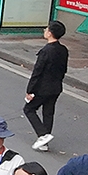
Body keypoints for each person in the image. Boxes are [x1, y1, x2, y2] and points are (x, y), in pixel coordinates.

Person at [25, 21, 69, 153]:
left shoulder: (45, 51)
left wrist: (30, 90)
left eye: (46, 29)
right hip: (56, 86)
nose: (44, 30)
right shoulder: (63, 50)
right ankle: (44, 143)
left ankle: (43, 134)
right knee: (48, 112)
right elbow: (64, 69)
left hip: (43, 87)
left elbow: (37, 72)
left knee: (29, 109)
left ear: (50, 33)